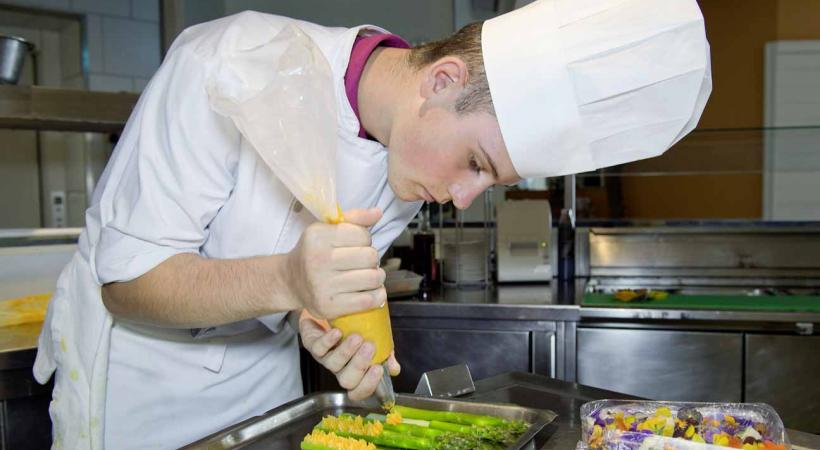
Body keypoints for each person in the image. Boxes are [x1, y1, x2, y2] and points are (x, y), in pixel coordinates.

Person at [33, 0, 711, 448]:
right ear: (442, 80)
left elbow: (302, 303)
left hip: (266, 404)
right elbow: (126, 284)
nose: (464, 197)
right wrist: (289, 278)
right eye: (475, 162)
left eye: (490, 181)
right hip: (136, 402)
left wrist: (328, 333)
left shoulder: (408, 158)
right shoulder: (234, 65)